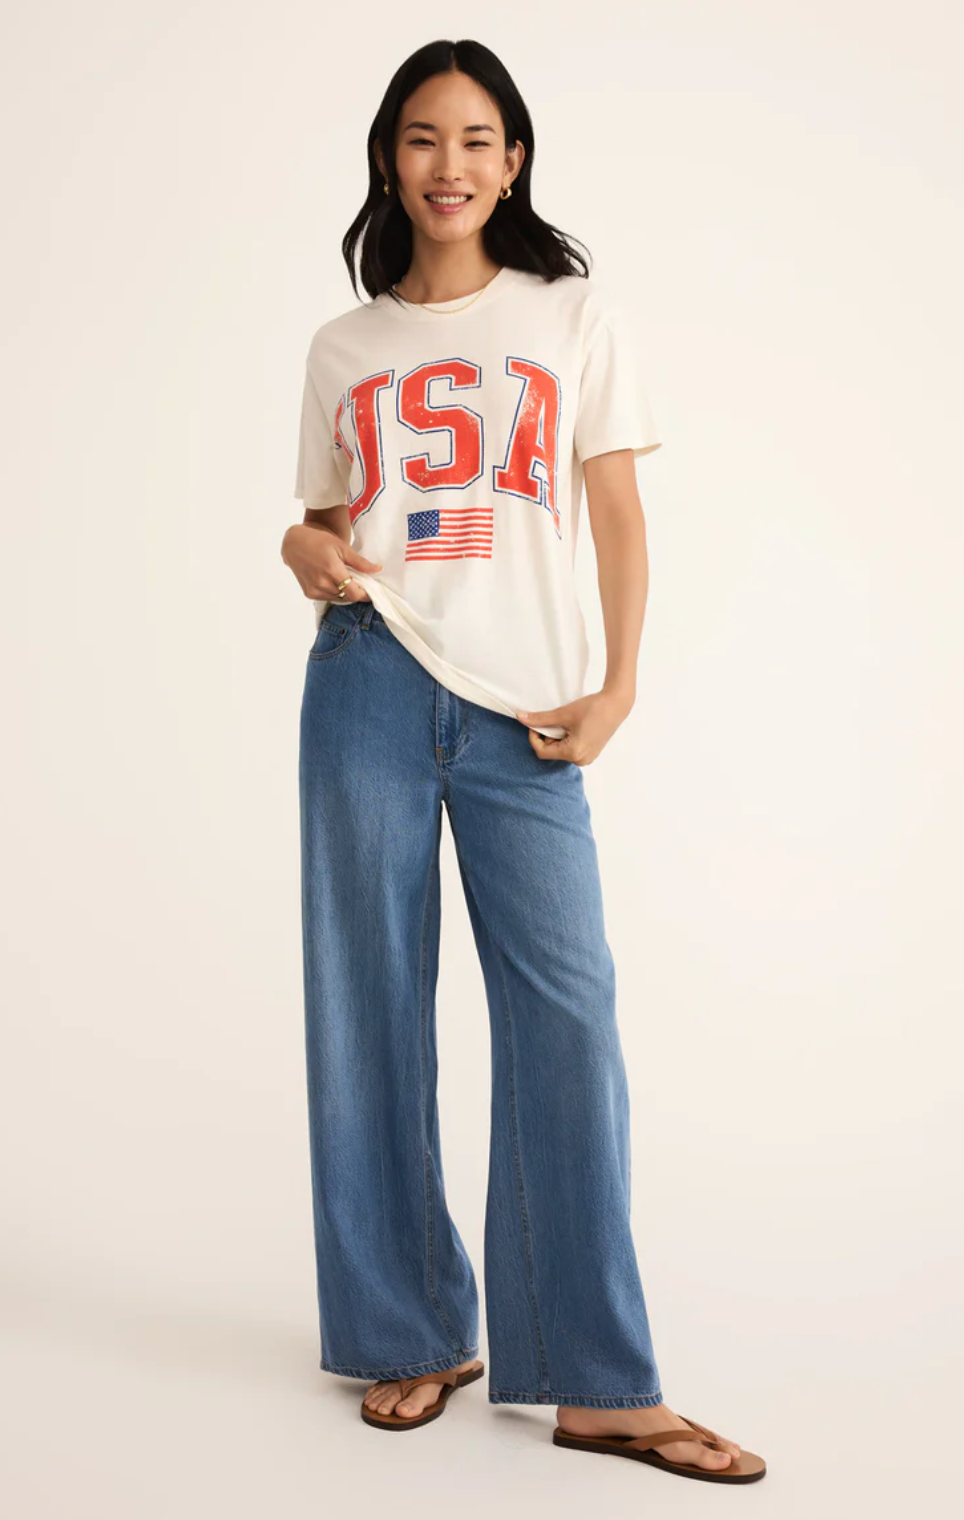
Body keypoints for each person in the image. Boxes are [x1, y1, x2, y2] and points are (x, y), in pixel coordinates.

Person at [281, 39, 766, 1486]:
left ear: (515, 161)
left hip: (527, 708)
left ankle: (598, 1379)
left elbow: (616, 514)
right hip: (367, 680)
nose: (451, 166)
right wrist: (301, 546)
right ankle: (413, 1332)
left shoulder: (571, 315)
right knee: (366, 1006)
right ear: (390, 159)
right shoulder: (344, 346)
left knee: (567, 1014)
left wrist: (620, 684)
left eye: (478, 139)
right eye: (424, 139)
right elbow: (325, 522)